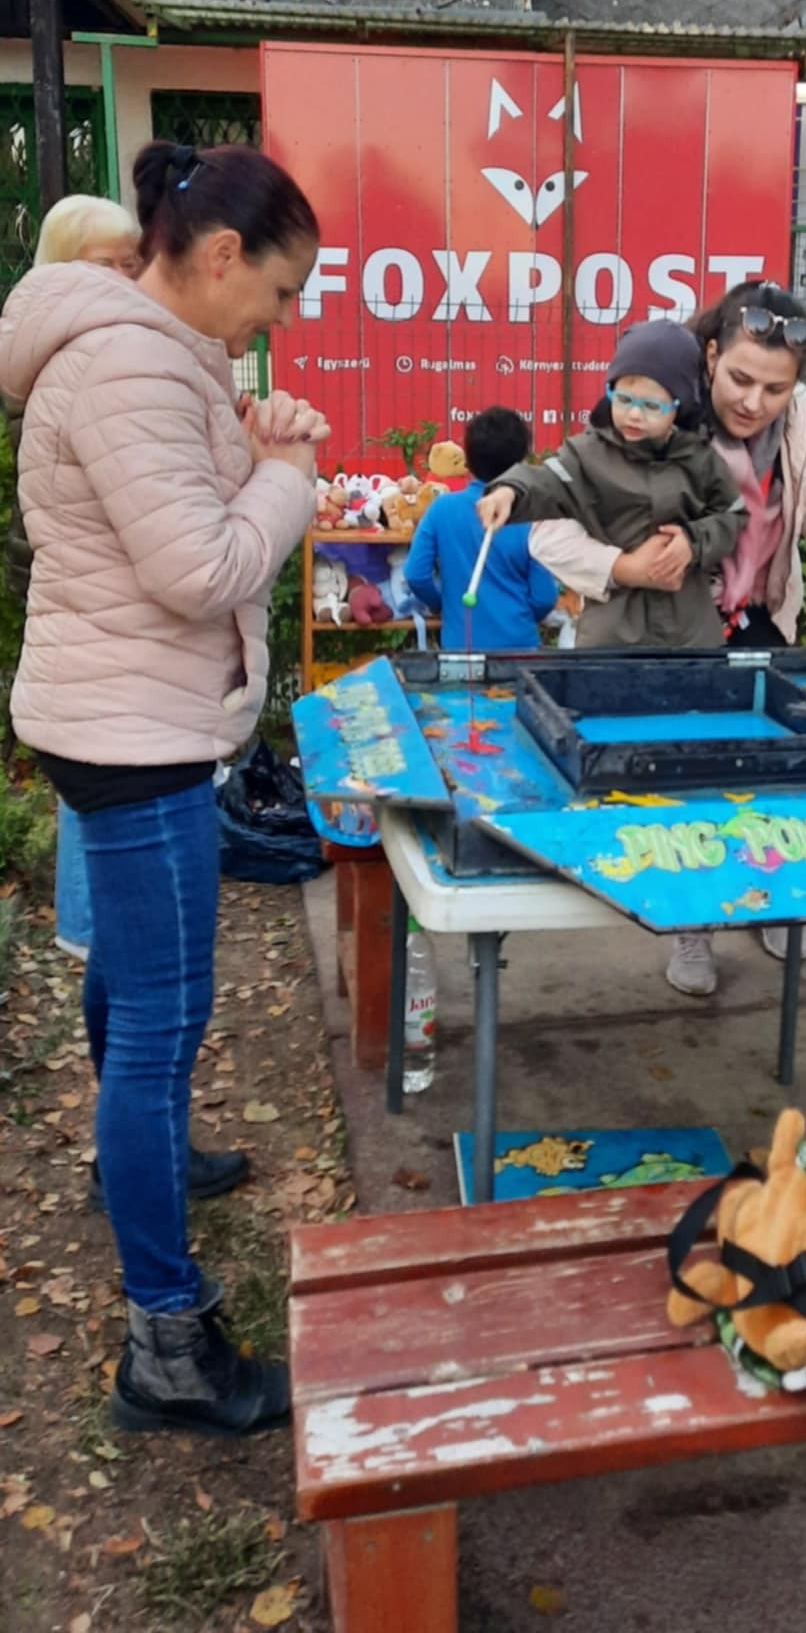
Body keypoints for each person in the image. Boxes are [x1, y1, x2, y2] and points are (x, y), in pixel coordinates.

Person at [0, 139, 329, 1437]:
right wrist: (292, 478)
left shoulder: (150, 349)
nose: (278, 318)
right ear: (220, 255)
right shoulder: (133, 361)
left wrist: (255, 447)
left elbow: (176, 516)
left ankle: (138, 1159)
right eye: (280, 291)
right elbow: (200, 570)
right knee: (163, 1015)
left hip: (123, 713)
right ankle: (168, 1346)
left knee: (132, 990)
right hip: (133, 732)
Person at [528, 282, 806, 993]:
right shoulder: (655, 407)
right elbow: (548, 530)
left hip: (763, 618)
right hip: (677, 625)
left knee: (776, 775)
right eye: (739, 379)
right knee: (690, 780)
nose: (754, 402)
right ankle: (694, 925)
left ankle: (771, 899)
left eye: (775, 388)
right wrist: (621, 566)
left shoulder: (804, 418)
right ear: (709, 357)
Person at [3, 196, 144, 965]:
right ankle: (95, 933)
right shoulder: (85, 356)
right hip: (88, 595)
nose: (123, 277)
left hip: (73, 591)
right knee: (97, 768)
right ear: (62, 266)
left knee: (93, 770)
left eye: (131, 263)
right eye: (104, 264)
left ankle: (93, 931)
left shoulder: (55, 346)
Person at [477, 320, 745, 646]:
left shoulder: (700, 458)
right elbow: (546, 480)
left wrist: (694, 542)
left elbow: (732, 513)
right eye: (624, 399)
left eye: (651, 406)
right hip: (612, 632)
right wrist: (509, 491)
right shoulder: (587, 456)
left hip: (690, 633)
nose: (634, 415)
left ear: (680, 406)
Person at [404, 406, 559, 649]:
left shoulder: (441, 509)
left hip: (461, 647)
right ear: (522, 462)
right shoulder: (533, 518)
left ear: (467, 460)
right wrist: (518, 617)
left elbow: (415, 573)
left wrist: (444, 604)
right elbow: (544, 597)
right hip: (520, 647)